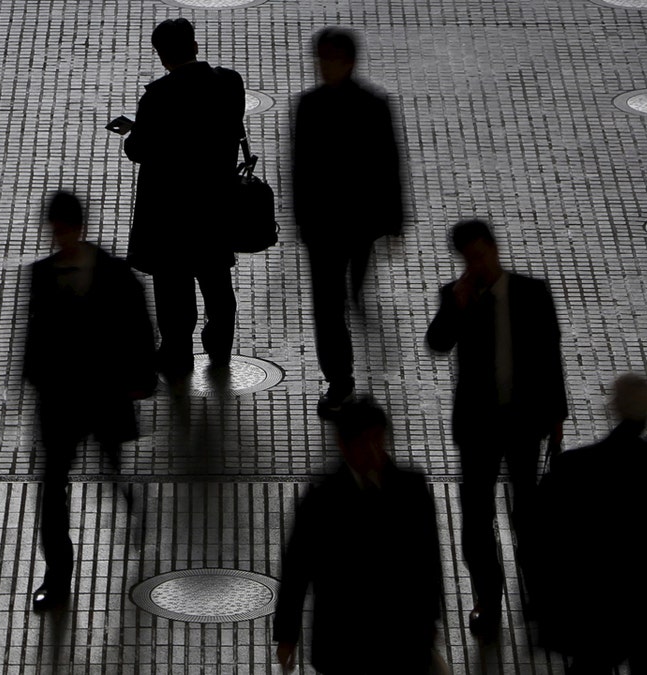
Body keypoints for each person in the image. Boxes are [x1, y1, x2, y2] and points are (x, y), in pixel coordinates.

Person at [425, 219, 567, 640]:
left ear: (494, 249)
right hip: (478, 428)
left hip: (524, 424)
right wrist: (456, 305)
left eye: (481, 255)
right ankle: (488, 600)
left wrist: (556, 418)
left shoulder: (532, 293)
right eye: (468, 259)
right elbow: (437, 343)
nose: (477, 264)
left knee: (529, 515)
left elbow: (549, 355)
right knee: (475, 519)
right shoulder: (459, 296)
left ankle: (538, 598)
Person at [24, 191, 156, 611]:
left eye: (65, 229)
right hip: (60, 402)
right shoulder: (43, 274)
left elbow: (138, 327)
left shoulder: (114, 273)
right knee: (53, 488)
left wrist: (140, 379)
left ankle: (127, 496)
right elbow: (33, 335)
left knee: (109, 460)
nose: (60, 237)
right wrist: (32, 380)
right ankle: (57, 577)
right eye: (55, 230)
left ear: (78, 227)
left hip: (101, 394)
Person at [534, 374, 647, 675]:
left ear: (614, 407)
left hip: (591, 603)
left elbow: (540, 532)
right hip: (644, 605)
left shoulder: (574, 468)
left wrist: (542, 599)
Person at [113, 17, 246, 378]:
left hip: (169, 210)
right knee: (216, 279)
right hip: (215, 203)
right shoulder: (230, 84)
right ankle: (219, 347)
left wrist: (133, 132)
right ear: (195, 46)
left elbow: (140, 150)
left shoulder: (158, 96)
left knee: (173, 286)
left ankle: (177, 354)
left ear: (161, 56)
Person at [273, 399, 443, 674]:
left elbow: (428, 562)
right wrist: (287, 635)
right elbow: (297, 568)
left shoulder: (411, 490)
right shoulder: (322, 500)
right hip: (344, 644)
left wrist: (429, 619)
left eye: (378, 439)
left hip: (401, 640)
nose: (374, 450)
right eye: (365, 442)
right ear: (344, 445)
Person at [292, 27, 405, 415]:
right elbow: (300, 166)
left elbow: (390, 163)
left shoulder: (373, 105)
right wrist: (302, 219)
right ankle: (339, 378)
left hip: (359, 224)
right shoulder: (309, 105)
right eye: (321, 59)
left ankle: (355, 294)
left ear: (350, 62)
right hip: (324, 228)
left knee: (343, 289)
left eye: (332, 59)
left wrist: (393, 220)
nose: (325, 66)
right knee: (327, 305)